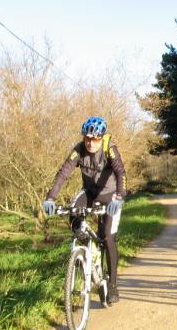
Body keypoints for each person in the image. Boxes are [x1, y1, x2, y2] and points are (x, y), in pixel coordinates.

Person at [42, 116, 127, 305]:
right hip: (89, 192)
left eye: (95, 139)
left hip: (110, 195)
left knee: (108, 237)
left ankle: (112, 285)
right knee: (73, 213)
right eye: (87, 138)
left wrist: (120, 197)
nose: (90, 143)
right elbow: (63, 173)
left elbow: (121, 172)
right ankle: (86, 251)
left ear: (101, 138)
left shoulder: (110, 148)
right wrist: (50, 197)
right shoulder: (79, 150)